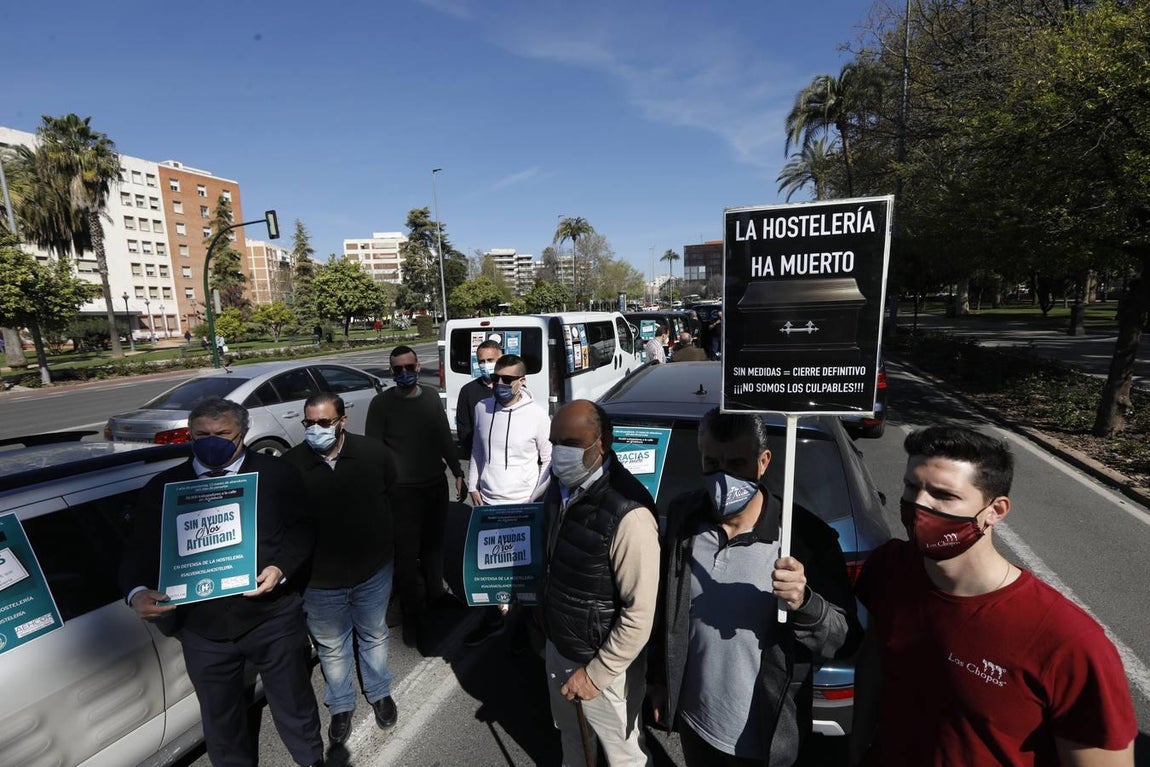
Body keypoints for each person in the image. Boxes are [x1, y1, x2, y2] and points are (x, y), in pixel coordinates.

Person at [850, 425, 1137, 767]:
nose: (918, 505)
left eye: (943, 495)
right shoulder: (891, 568)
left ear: (995, 511)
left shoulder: (1070, 642)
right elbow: (874, 665)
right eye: (912, 486)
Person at [119, 397, 324, 767]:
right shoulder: (163, 488)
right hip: (202, 630)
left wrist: (280, 568)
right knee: (220, 720)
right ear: (191, 435)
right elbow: (137, 552)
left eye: (223, 433)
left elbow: (303, 530)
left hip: (272, 618)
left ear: (242, 434)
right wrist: (136, 593)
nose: (211, 440)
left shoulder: (276, 474)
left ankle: (311, 759)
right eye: (202, 434)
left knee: (294, 703)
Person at [648, 408, 858, 766]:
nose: (723, 476)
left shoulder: (804, 539)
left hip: (765, 739)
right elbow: (665, 607)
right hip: (695, 724)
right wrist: (659, 680)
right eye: (711, 462)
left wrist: (806, 604)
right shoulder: (685, 516)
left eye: (737, 463)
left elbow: (845, 638)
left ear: (763, 462)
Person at [541, 400, 660, 766]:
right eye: (555, 441)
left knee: (623, 757)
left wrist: (595, 676)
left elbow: (639, 613)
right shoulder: (560, 488)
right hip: (561, 648)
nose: (561, 453)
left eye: (572, 443)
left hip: (604, 668)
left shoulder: (630, 513)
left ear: (603, 443)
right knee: (574, 746)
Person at [282, 393, 399, 746]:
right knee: (332, 647)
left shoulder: (373, 454)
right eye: (309, 423)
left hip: (372, 572)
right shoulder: (290, 466)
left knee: (374, 634)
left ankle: (378, 691)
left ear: (342, 421)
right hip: (319, 582)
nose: (315, 430)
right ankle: (341, 704)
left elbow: (392, 496)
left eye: (323, 423)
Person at [365, 344, 465, 649]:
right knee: (406, 558)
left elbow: (442, 437)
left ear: (418, 367)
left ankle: (436, 594)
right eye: (398, 369)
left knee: (434, 546)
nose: (405, 373)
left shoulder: (431, 397)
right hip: (402, 493)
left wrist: (457, 471)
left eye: (409, 367)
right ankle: (413, 618)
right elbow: (374, 451)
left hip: (434, 486)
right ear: (392, 371)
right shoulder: (381, 404)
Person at [464, 353, 552, 646]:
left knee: (523, 573)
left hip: (523, 505)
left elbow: (548, 460)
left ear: (522, 381)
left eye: (507, 380)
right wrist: (473, 482)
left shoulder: (538, 415)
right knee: (490, 571)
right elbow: (478, 447)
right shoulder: (481, 407)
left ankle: (526, 633)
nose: (499, 384)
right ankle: (492, 621)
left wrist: (533, 497)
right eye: (495, 379)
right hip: (487, 502)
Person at [456, 339, 502, 461]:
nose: (486, 365)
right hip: (479, 457)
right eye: (482, 361)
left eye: (490, 360)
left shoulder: (510, 388)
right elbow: (464, 428)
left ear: (500, 360)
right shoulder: (468, 391)